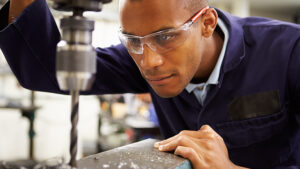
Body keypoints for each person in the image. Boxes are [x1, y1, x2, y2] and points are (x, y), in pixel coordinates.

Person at [0, 0, 300, 168]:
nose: (148, 62)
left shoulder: (288, 52)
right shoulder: (145, 55)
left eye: (165, 36)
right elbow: (45, 71)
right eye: (132, 41)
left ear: (206, 23)